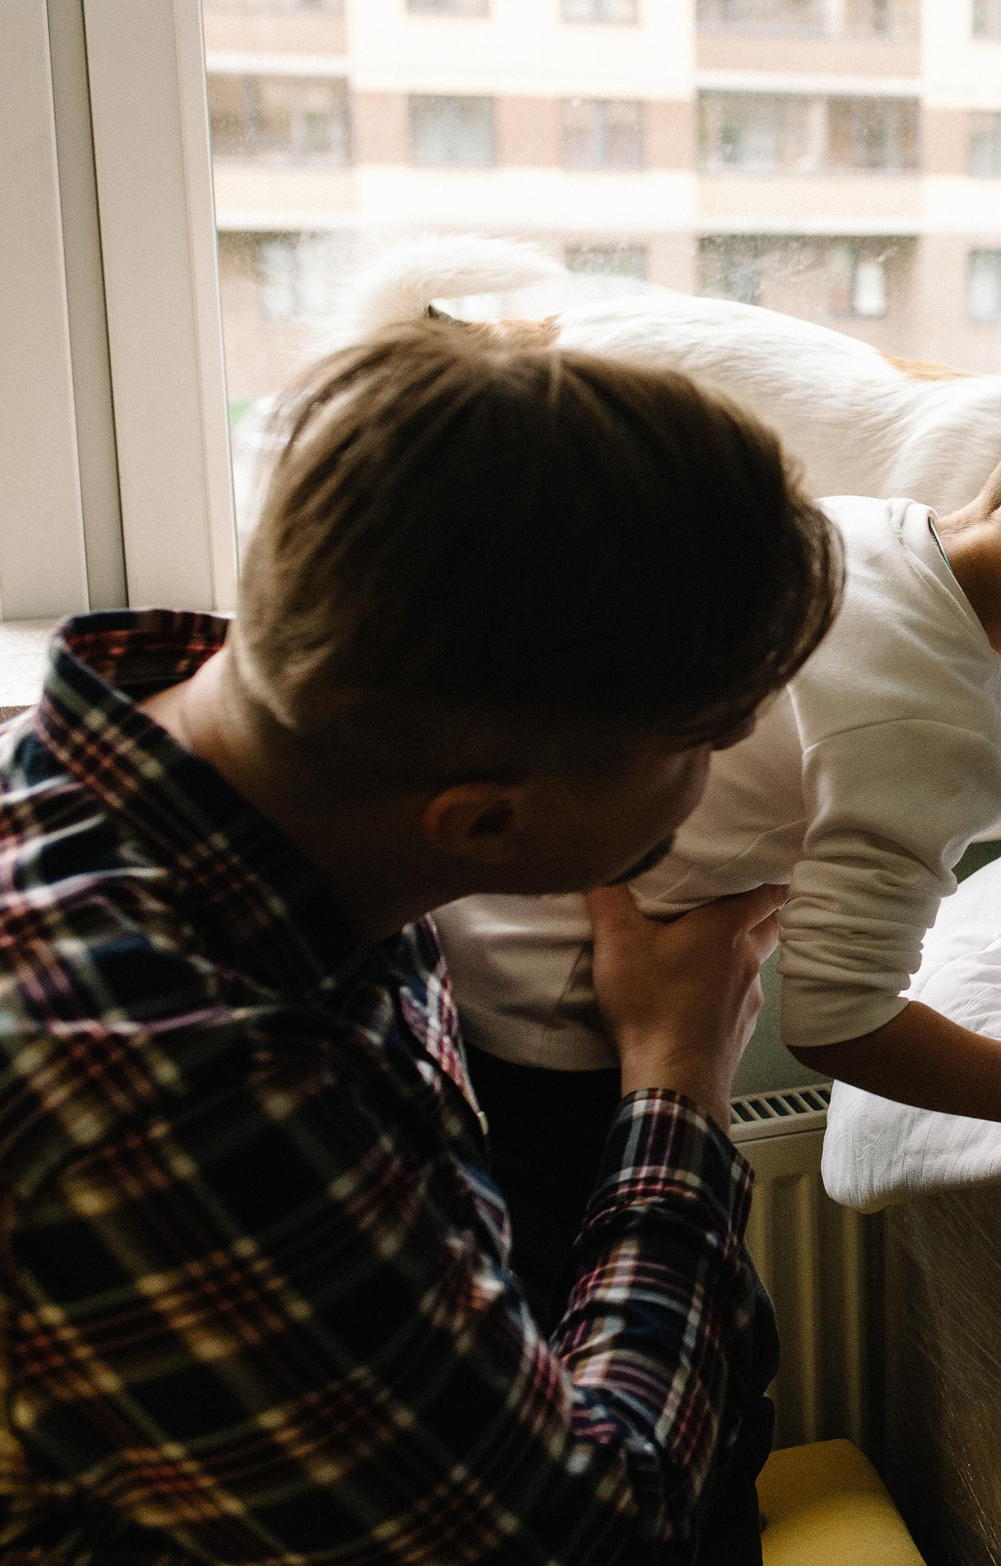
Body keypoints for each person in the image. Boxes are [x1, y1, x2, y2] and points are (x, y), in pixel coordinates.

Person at [0, 322, 842, 1562]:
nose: (729, 773)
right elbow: (577, 1537)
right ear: (485, 820)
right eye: (711, 742)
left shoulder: (248, 785)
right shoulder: (178, 1096)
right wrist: (676, 1080)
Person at [437, 348, 1001, 1327]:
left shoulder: (862, 530)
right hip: (561, 1042)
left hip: (474, 947)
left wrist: (954, 723)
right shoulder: (931, 744)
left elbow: (826, 711)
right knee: (654, 1325)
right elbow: (838, 1021)